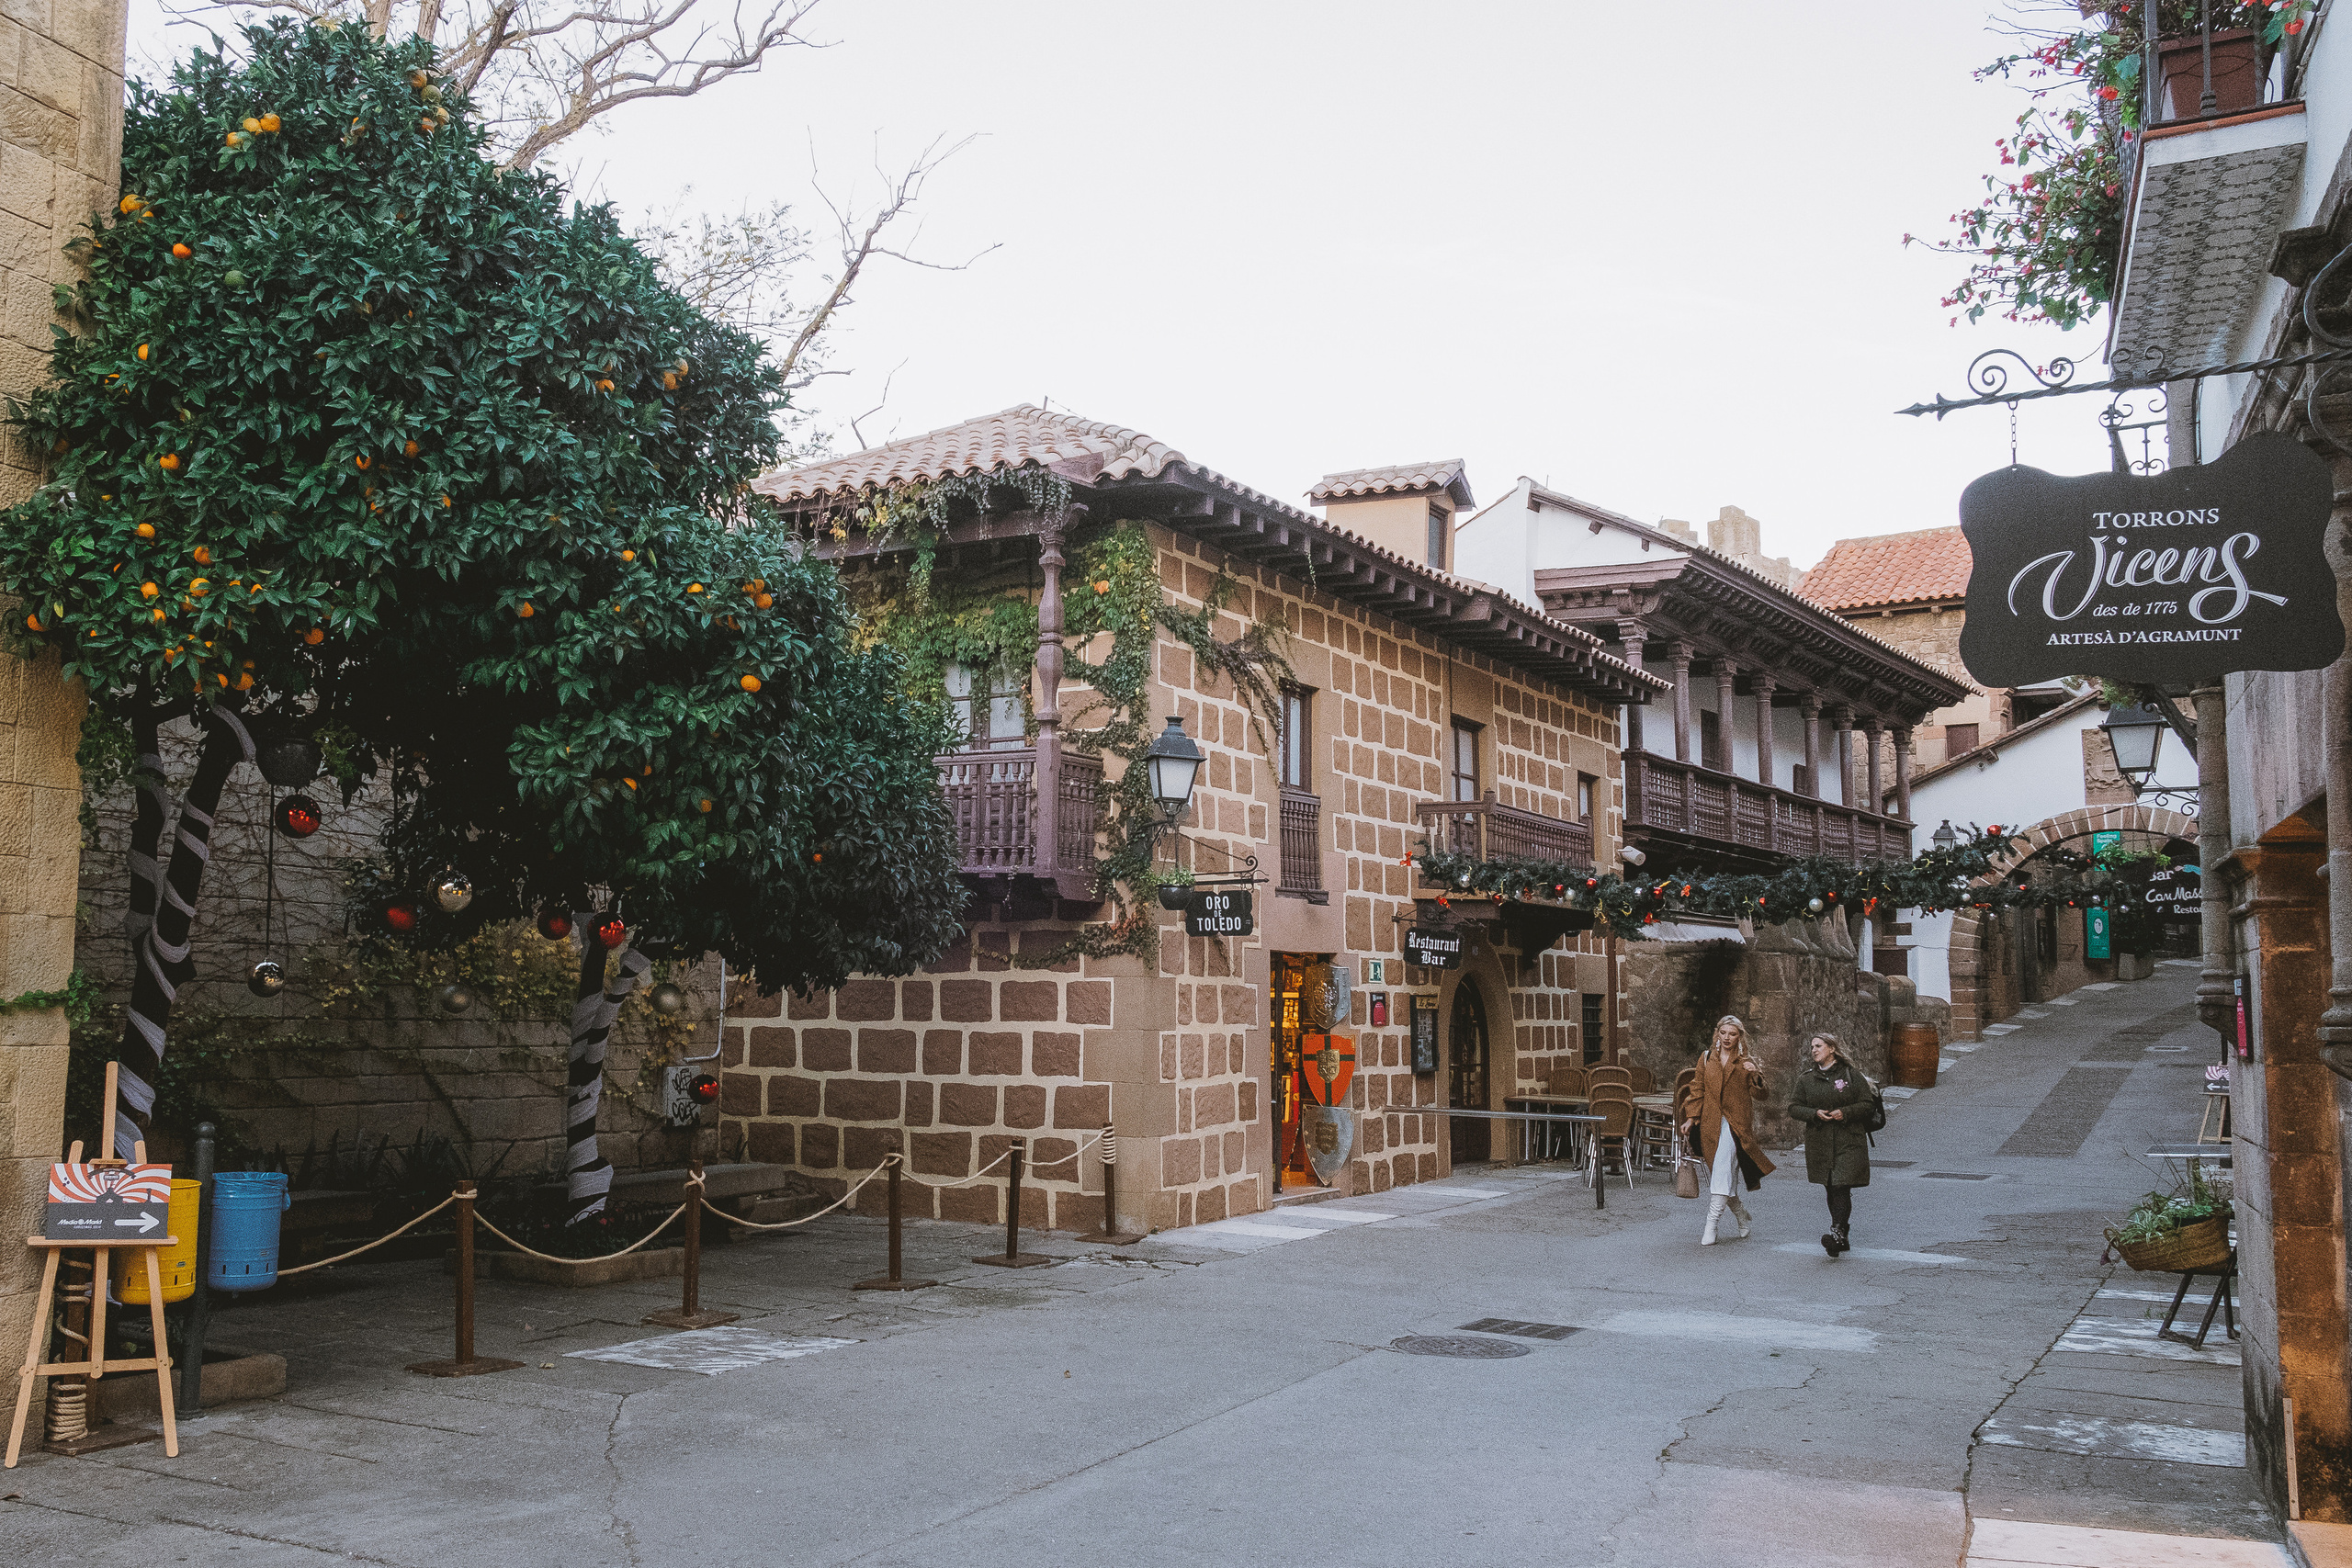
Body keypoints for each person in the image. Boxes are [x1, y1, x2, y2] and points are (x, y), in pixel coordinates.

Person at [1678, 1014, 1775, 1246]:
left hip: (1736, 1126)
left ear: (1740, 1036)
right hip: (1710, 1124)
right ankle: (1741, 1215)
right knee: (1724, 1177)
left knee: (1721, 1173)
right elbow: (1697, 1088)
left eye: (1733, 1034)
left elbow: (1762, 1094)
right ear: (1717, 1033)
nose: (1727, 1038)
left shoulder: (1745, 1061)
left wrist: (1755, 1074)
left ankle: (1710, 1227)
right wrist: (1691, 1118)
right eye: (1724, 1033)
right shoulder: (1706, 1057)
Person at [1788, 1032, 1872, 1258]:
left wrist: (1845, 1112)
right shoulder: (1806, 1079)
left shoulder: (1850, 1075)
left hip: (1849, 1140)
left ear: (1832, 1049)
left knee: (1840, 1186)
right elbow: (1794, 1107)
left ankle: (1836, 1232)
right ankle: (1841, 1234)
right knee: (1830, 1185)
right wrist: (1814, 1113)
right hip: (1820, 1142)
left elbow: (1867, 1105)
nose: (1814, 1050)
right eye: (1812, 1047)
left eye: (1819, 1046)